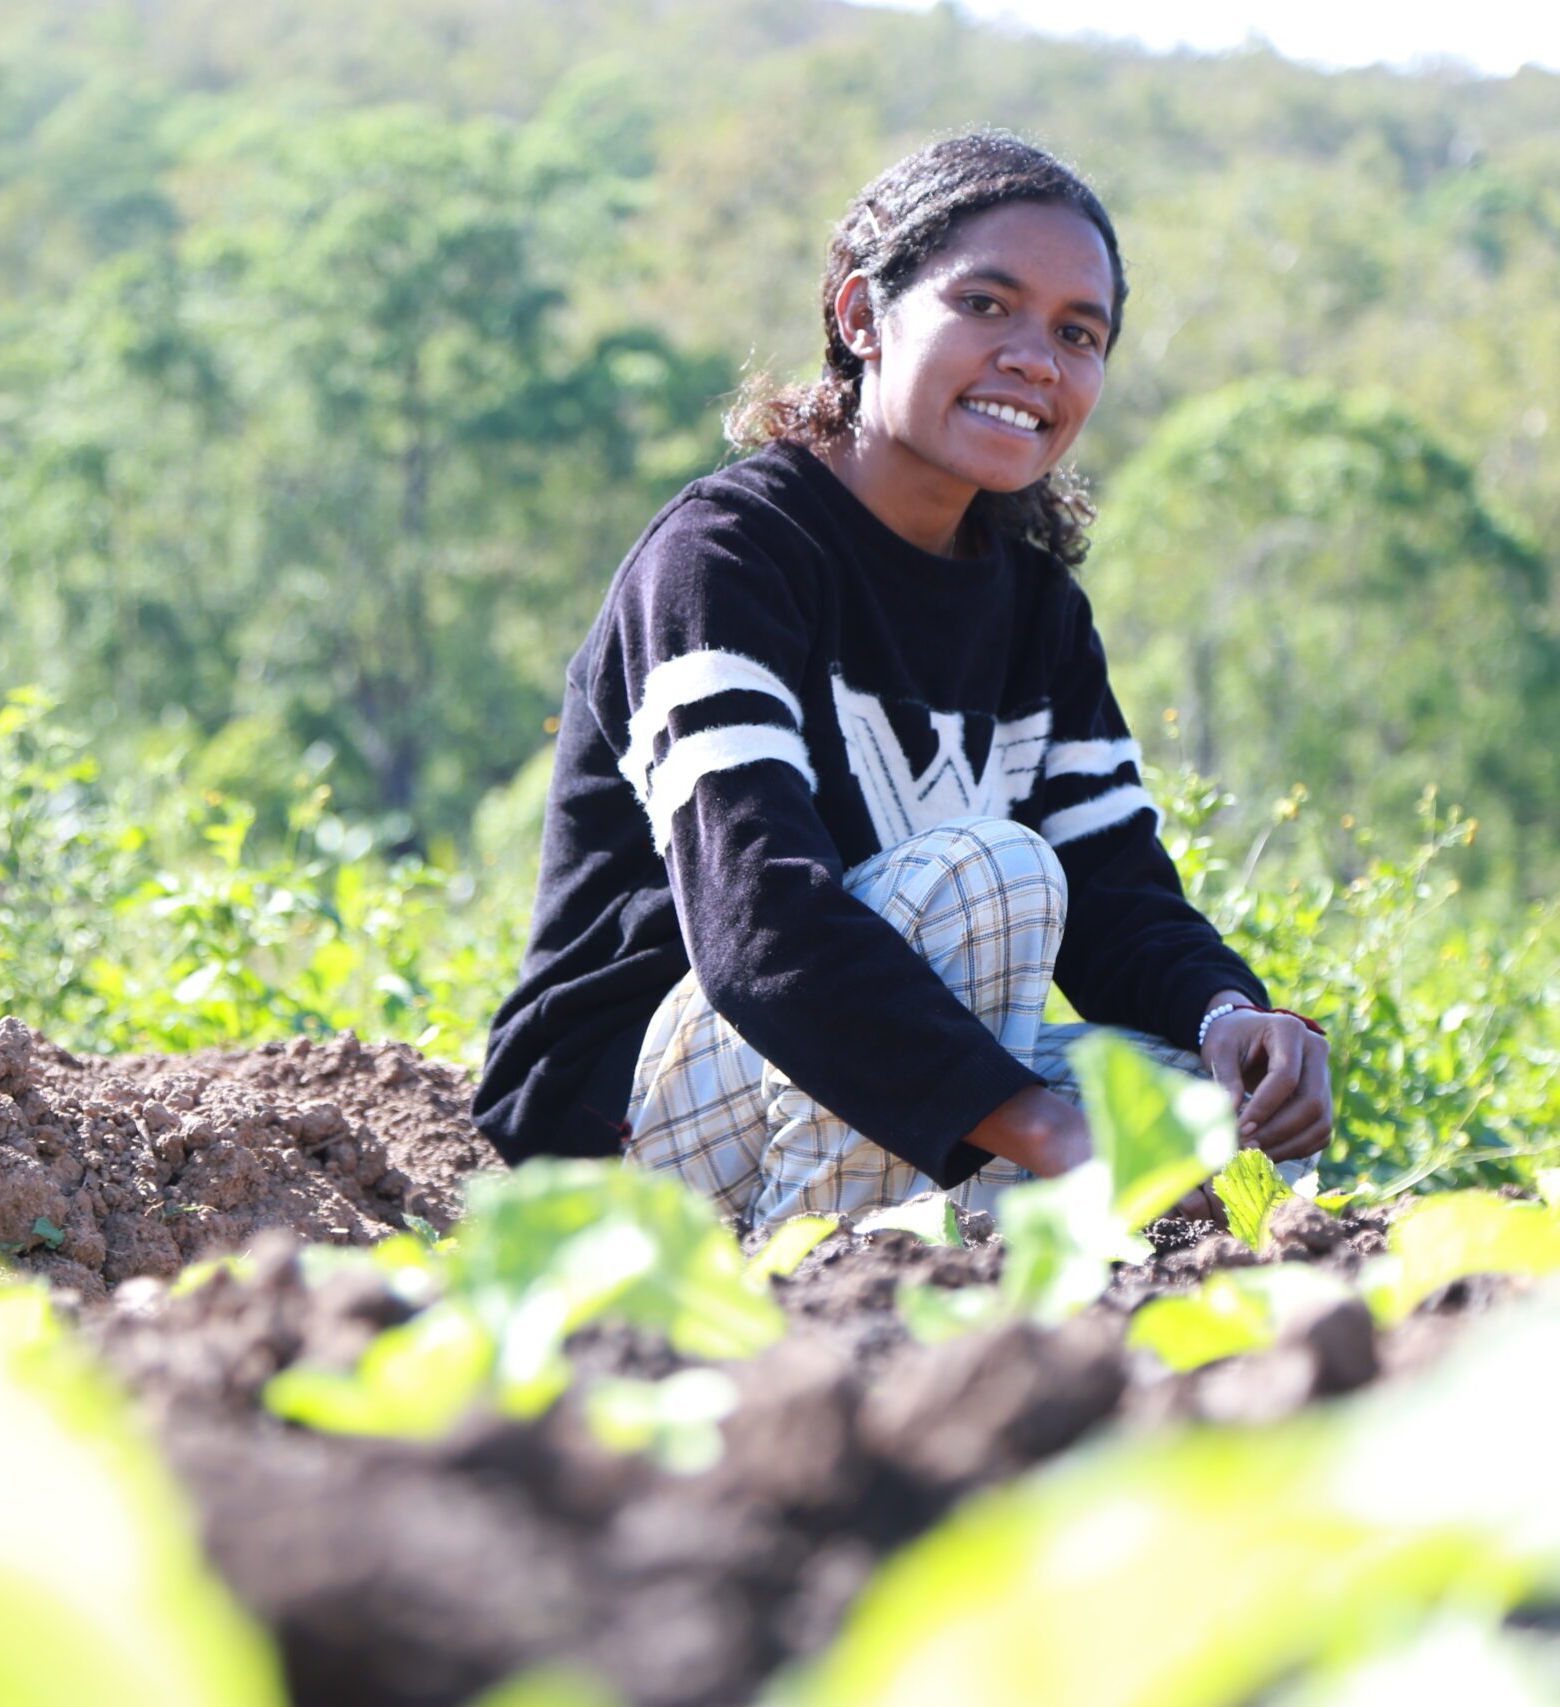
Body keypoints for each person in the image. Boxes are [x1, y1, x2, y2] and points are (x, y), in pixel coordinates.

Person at [472, 130, 1333, 1231]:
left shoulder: (1036, 615)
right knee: (985, 875)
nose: (1035, 356)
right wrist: (1042, 1129)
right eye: (985, 304)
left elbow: (1115, 894)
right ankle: (820, 1293)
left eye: (1079, 333)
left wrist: (1227, 1018)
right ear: (861, 318)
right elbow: (760, 924)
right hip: (619, 1127)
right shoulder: (727, 556)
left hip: (863, 1094)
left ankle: (946, 1260)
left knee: (1224, 1134)